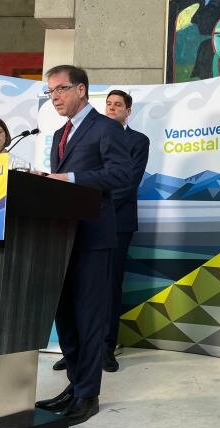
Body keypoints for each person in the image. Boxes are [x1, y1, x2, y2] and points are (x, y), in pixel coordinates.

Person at [34, 65, 131, 426]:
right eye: (50, 92)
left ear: (82, 90)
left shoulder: (106, 128)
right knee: (66, 317)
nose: (55, 96)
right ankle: (75, 385)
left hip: (93, 238)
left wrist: (68, 177)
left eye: (60, 89)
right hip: (63, 239)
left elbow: (121, 176)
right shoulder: (62, 133)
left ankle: (88, 394)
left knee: (89, 319)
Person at [52, 89, 150, 373]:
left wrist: (95, 205)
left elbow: (126, 183)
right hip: (81, 221)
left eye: (118, 105)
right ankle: (78, 351)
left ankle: (106, 349)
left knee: (108, 287)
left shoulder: (138, 141)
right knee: (78, 289)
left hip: (116, 222)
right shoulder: (83, 134)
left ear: (128, 111)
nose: (112, 108)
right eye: (108, 104)